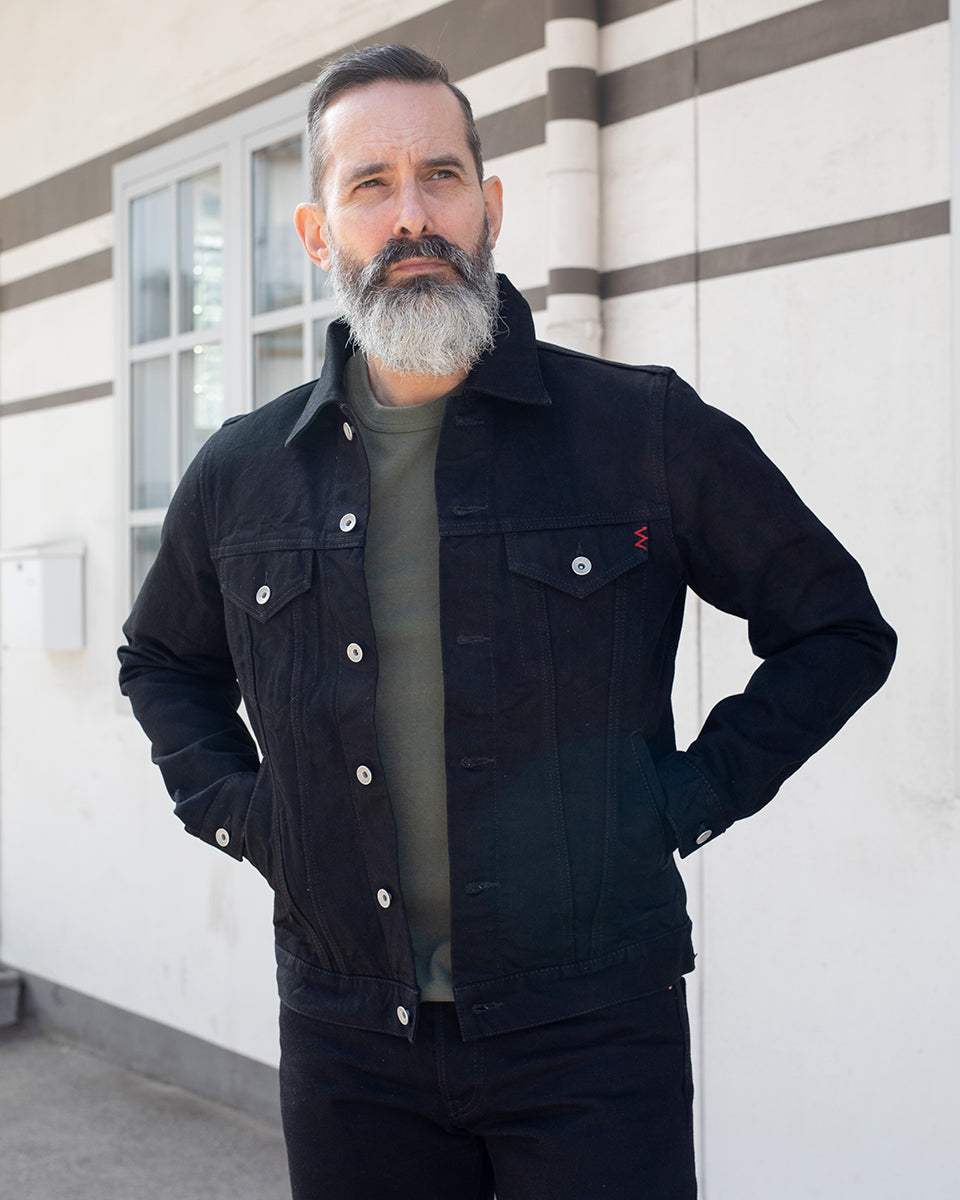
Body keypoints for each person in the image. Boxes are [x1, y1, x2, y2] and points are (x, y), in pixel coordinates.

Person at [118, 43, 896, 1200]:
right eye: (371, 185)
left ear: (489, 207)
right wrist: (248, 816)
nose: (412, 215)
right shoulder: (243, 472)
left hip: (594, 1032)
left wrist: (682, 799)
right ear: (318, 234)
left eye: (440, 176)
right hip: (349, 1041)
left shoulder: (639, 430)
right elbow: (162, 660)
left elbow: (836, 628)